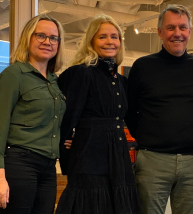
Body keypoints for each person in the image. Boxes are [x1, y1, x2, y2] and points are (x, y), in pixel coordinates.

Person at [125, 4, 193, 214]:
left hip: (192, 161)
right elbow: (130, 111)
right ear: (160, 32)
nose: (177, 33)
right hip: (153, 160)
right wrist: (150, 137)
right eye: (171, 28)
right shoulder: (142, 66)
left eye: (183, 27)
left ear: (190, 31)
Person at [56, 15, 140, 214]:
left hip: (118, 156)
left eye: (114, 36)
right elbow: (65, 119)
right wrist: (67, 147)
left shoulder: (121, 80)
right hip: (89, 157)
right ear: (91, 41)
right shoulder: (80, 73)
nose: (110, 41)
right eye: (102, 37)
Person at [0, 14, 65, 213]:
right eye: (41, 36)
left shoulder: (55, 82)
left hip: (47, 167)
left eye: (53, 38)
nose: (48, 42)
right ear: (28, 38)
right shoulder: (13, 76)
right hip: (17, 163)